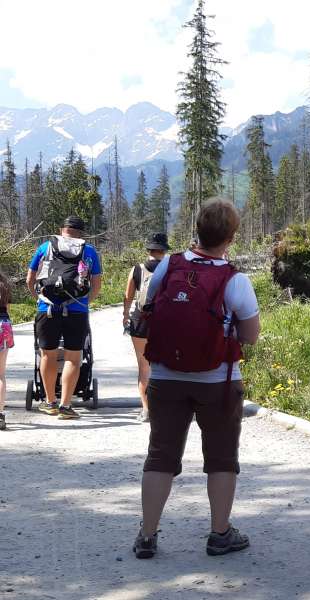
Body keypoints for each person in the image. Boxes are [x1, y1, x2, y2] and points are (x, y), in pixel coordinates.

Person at [133, 199, 261, 560]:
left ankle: (147, 535)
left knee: (160, 455)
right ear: (231, 237)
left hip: (164, 376)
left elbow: (150, 308)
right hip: (217, 381)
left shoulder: (167, 267)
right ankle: (220, 533)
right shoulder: (235, 280)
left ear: (197, 229)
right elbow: (250, 336)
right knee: (221, 458)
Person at [26, 216, 102, 420]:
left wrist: (39, 299)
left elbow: (30, 279)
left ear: (62, 229)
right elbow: (96, 285)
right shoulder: (90, 251)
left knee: (47, 355)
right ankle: (66, 406)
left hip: (47, 309)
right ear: (81, 232)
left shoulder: (45, 247)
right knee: (73, 358)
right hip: (77, 310)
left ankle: (50, 402)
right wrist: (85, 303)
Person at [123, 233, 170, 422]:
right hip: (165, 322)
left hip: (140, 321)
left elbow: (128, 297)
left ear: (148, 250)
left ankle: (146, 410)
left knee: (144, 367)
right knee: (165, 366)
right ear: (164, 250)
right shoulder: (171, 270)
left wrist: (125, 315)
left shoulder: (137, 269)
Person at [0, 269, 13, 431]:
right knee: (0, 374)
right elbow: (7, 309)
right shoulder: (5, 285)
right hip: (4, 325)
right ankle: (0, 414)